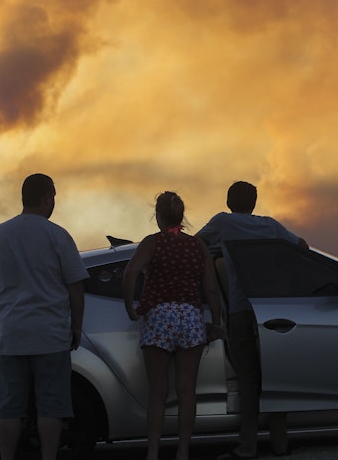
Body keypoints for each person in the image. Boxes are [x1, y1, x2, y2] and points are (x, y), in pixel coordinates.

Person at [0, 173, 89, 460]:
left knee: (10, 405)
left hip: (12, 333)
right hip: (50, 334)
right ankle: (49, 456)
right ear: (47, 198)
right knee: (51, 404)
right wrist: (76, 326)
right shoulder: (58, 235)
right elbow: (76, 287)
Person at [197, 181, 308, 460]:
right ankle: (280, 445)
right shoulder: (270, 226)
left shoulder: (223, 222)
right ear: (255, 202)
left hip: (241, 311)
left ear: (228, 201)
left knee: (248, 381)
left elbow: (195, 244)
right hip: (273, 310)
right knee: (276, 378)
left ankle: (247, 447)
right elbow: (302, 246)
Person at [122, 191, 224, 460]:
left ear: (157, 215)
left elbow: (131, 272)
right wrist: (216, 320)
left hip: (159, 317)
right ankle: (183, 452)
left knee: (157, 391)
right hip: (191, 318)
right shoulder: (198, 246)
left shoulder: (152, 243)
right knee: (187, 390)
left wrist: (130, 307)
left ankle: (153, 452)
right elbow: (211, 290)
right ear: (182, 217)